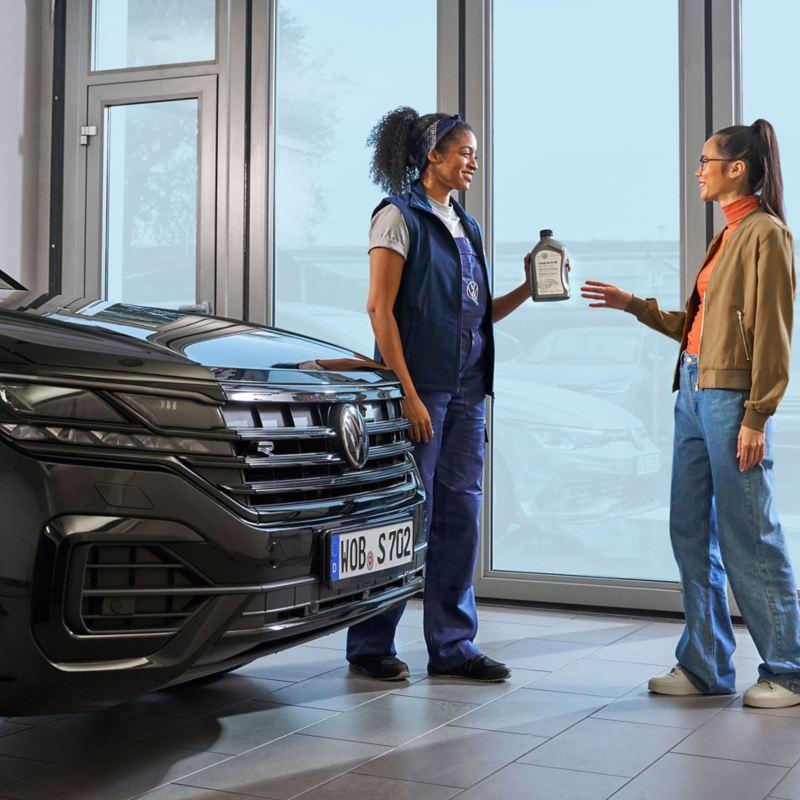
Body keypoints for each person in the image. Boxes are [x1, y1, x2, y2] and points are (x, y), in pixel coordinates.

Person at [581, 119, 800, 708]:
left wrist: (758, 414)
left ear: (736, 169)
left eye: (705, 161)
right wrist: (634, 306)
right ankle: (705, 664)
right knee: (689, 530)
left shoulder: (765, 234)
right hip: (693, 391)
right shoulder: (726, 237)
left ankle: (788, 669)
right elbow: (699, 330)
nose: (698, 170)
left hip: (732, 402)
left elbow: (774, 335)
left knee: (750, 533)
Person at [346, 107, 534, 682]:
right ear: (433, 156)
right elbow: (380, 309)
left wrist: (529, 286)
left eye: (474, 153)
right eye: (464, 152)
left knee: (460, 517)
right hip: (419, 392)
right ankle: (371, 644)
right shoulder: (396, 218)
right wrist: (406, 394)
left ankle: (453, 646)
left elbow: (476, 315)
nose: (472, 161)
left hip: (468, 395)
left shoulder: (466, 226)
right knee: (402, 515)